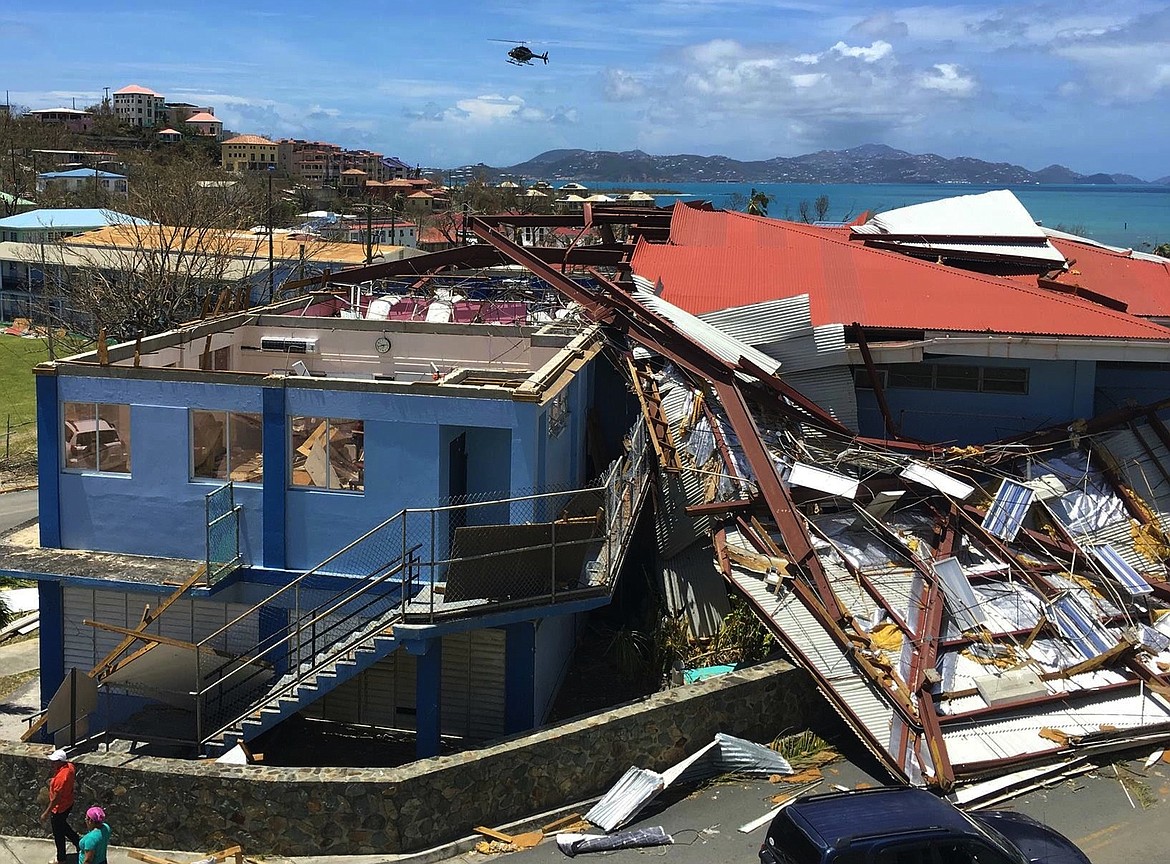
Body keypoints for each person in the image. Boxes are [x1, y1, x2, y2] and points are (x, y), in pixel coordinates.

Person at [40, 748, 80, 864]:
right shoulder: (70, 767)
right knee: (62, 826)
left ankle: (61, 859)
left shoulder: (60, 778)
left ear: (60, 762)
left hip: (59, 808)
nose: (52, 763)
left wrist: (46, 813)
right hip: (68, 803)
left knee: (58, 834)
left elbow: (56, 799)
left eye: (55, 761)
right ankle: (77, 841)